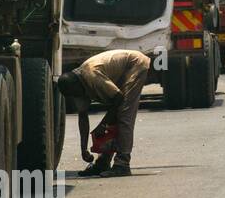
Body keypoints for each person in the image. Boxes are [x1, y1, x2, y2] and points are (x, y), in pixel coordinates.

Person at [56, 49, 154, 178]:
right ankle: (102, 162)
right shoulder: (77, 86)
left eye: (76, 94)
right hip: (121, 71)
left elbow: (118, 98)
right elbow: (83, 117)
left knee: (124, 115)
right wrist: (83, 149)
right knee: (113, 115)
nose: (77, 97)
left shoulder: (92, 75)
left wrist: (103, 124)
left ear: (77, 86)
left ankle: (122, 165)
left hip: (135, 64)